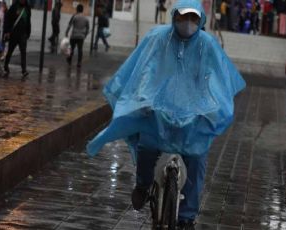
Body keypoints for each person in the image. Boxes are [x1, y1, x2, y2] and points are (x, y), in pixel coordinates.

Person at [85, 0, 245, 229]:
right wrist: (143, 97)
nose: (187, 23)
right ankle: (142, 185)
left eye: (192, 18)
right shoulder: (158, 38)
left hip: (194, 112)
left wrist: (213, 106)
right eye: (182, 17)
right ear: (174, 17)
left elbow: (216, 81)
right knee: (147, 147)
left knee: (197, 159)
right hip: (158, 107)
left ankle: (187, 217)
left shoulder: (207, 45)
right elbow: (146, 71)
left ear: (200, 20)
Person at [3, 0, 31, 77]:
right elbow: (7, 19)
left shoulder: (27, 8)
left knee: (23, 52)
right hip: (14, 34)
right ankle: (6, 65)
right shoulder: (14, 7)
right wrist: (7, 31)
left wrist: (28, 33)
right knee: (10, 51)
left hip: (23, 35)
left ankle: (24, 70)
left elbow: (28, 21)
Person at [65, 4, 89, 68]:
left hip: (74, 35)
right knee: (80, 49)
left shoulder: (74, 16)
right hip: (81, 37)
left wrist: (66, 32)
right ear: (82, 10)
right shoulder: (85, 18)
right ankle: (79, 62)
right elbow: (87, 28)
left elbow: (70, 25)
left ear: (77, 9)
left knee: (70, 48)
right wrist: (85, 35)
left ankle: (69, 59)